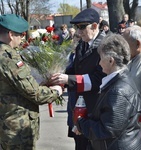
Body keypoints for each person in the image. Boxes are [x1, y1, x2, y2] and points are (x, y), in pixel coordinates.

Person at [0, 14, 63, 150]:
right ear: (11, 34)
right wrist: (56, 91)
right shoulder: (8, 59)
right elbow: (34, 93)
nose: (23, 38)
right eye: (21, 34)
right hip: (16, 129)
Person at [75, 34, 141, 150]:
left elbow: (106, 131)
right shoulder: (119, 81)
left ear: (110, 60)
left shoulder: (118, 91)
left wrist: (80, 123)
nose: (99, 63)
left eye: (101, 58)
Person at [50, 8, 106, 150]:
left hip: (95, 108)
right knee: (79, 144)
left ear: (94, 26)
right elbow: (75, 68)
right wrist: (56, 76)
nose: (78, 32)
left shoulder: (105, 45)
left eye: (82, 27)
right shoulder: (82, 43)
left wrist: (67, 79)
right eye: (76, 27)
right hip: (79, 106)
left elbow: (99, 79)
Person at [122, 25, 141, 148]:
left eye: (125, 44)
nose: (122, 48)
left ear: (137, 44)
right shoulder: (134, 58)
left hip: (139, 131)